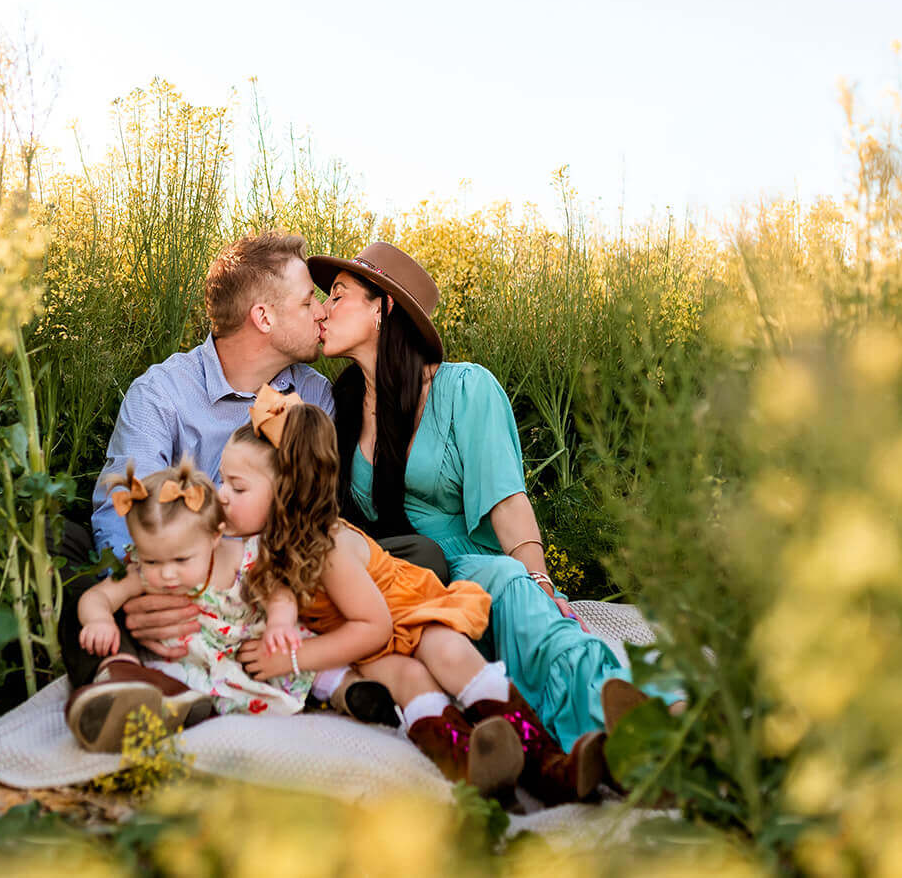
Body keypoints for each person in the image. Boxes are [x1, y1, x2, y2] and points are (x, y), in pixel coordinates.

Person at [56, 230, 447, 726]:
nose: (322, 312)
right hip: (179, 566)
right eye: (309, 302)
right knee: (65, 540)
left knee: (421, 555)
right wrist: (149, 587)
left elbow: (315, 509)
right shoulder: (162, 392)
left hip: (270, 576)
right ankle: (122, 673)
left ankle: (315, 671)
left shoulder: (313, 395)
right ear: (263, 317)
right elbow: (122, 502)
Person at [307, 242, 676, 755]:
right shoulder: (337, 407)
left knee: (512, 586)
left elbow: (506, 502)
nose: (323, 309)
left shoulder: (464, 389)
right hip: (400, 588)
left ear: (382, 308)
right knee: (504, 592)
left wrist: (540, 579)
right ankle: (614, 727)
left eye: (339, 295)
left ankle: (643, 716)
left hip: (471, 575)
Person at [218, 386, 570, 795]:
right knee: (406, 678)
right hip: (358, 634)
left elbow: (376, 625)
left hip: (399, 611)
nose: (221, 495)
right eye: (221, 481)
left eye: (237, 487)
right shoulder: (258, 546)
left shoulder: (324, 548)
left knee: (447, 654)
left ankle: (549, 763)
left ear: (285, 494)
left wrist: (293, 658)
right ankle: (472, 772)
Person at [66, 460, 316, 751]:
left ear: (214, 537)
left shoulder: (239, 557)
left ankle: (336, 688)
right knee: (163, 684)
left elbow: (279, 591)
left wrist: (279, 622)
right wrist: (99, 621)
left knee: (298, 653)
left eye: (181, 560)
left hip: (244, 654)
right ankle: (174, 710)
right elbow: (97, 597)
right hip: (187, 663)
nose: (167, 573)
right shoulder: (140, 570)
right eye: (152, 560)